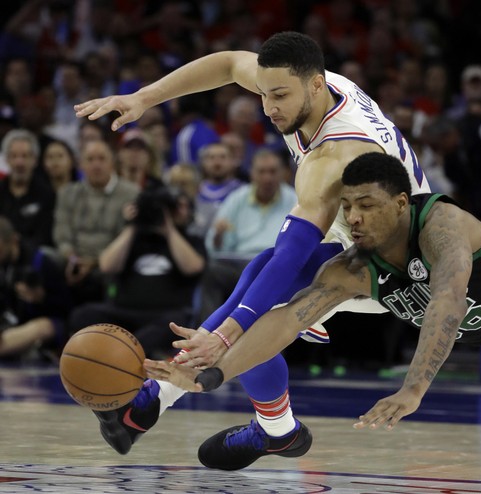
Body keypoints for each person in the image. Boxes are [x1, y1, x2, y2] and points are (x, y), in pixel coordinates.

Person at [74, 31, 430, 469]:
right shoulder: (304, 82)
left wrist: (227, 331)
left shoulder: (335, 155)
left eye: (279, 95)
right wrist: (145, 98)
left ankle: (149, 405)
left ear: (316, 85)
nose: (269, 107)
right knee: (258, 291)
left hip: (398, 268)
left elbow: (290, 256)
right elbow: (226, 64)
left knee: (260, 293)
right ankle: (276, 431)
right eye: (263, 94)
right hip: (351, 241)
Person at [145, 152, 481, 445]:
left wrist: (414, 388)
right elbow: (285, 321)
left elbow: (448, 301)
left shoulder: (441, 225)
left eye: (367, 204)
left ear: (402, 203)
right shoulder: (352, 269)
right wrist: (211, 376)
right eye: (347, 207)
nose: (353, 218)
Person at [68, 186, 206, 359]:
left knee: (174, 324)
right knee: (83, 315)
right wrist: (132, 226)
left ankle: (122, 353)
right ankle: (131, 350)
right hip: (123, 313)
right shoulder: (133, 239)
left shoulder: (190, 240)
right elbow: (106, 266)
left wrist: (169, 229)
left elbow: (193, 267)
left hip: (165, 314)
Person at [200, 148, 297, 322]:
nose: (267, 178)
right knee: (212, 271)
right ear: (252, 173)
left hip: (275, 265)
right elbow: (214, 249)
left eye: (273, 172)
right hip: (240, 265)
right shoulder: (236, 198)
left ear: (283, 173)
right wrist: (218, 236)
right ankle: (206, 331)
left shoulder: (295, 200)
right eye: (261, 172)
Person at [52, 139, 140, 304]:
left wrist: (94, 263)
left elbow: (125, 237)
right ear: (81, 165)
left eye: (101, 159)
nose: (96, 165)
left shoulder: (131, 193)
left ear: (112, 162)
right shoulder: (67, 193)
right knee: (46, 259)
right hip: (71, 260)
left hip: (109, 263)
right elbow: (61, 235)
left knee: (115, 270)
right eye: (90, 160)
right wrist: (73, 259)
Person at [0, 215, 72, 360]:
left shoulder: (41, 262)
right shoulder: (4, 266)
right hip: (10, 323)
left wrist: (41, 298)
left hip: (44, 322)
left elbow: (67, 308)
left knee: (41, 327)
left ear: (13, 241)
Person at [0, 129, 56, 248]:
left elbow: (45, 236)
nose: (19, 162)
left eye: (25, 156)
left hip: (34, 256)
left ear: (35, 160)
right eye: (14, 156)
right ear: (6, 160)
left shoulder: (46, 194)